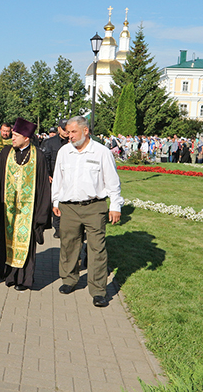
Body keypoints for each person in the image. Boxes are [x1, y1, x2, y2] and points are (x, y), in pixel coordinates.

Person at [51, 116, 123, 308]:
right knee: (68, 245)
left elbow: (113, 181)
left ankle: (98, 291)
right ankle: (69, 279)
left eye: (73, 132)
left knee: (96, 248)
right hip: (69, 207)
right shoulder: (64, 152)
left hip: (94, 207)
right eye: (68, 132)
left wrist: (115, 205)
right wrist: (56, 200)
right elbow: (58, 177)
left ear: (85, 131)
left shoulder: (101, 152)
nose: (70, 136)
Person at [0, 118, 51, 291]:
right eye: (12, 134)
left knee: (24, 244)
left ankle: (21, 279)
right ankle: (4, 271)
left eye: (16, 135)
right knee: (3, 240)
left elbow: (43, 187)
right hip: (6, 210)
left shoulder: (38, 157)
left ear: (26, 137)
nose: (12, 138)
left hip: (28, 212)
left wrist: (41, 214)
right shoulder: (6, 153)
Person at [40, 119, 69, 238]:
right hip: (54, 177)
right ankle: (57, 228)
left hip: (69, 177)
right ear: (59, 129)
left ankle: (67, 226)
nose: (67, 131)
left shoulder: (73, 142)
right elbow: (44, 159)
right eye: (64, 129)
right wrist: (47, 174)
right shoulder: (50, 142)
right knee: (56, 202)